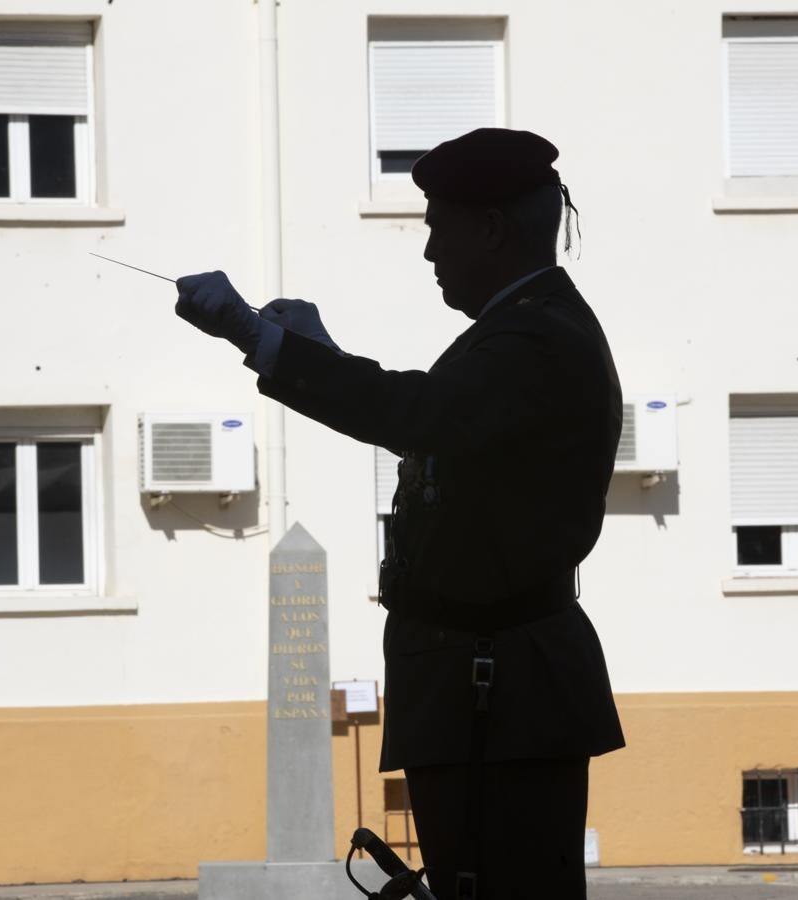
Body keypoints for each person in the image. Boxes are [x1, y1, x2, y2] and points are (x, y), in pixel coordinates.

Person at [175, 127, 625, 900]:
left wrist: (263, 339)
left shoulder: (539, 338)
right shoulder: (518, 333)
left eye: (436, 227)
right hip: (481, 686)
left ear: (490, 228)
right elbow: (441, 417)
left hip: (502, 692)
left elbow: (417, 412)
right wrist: (310, 349)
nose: (428, 254)